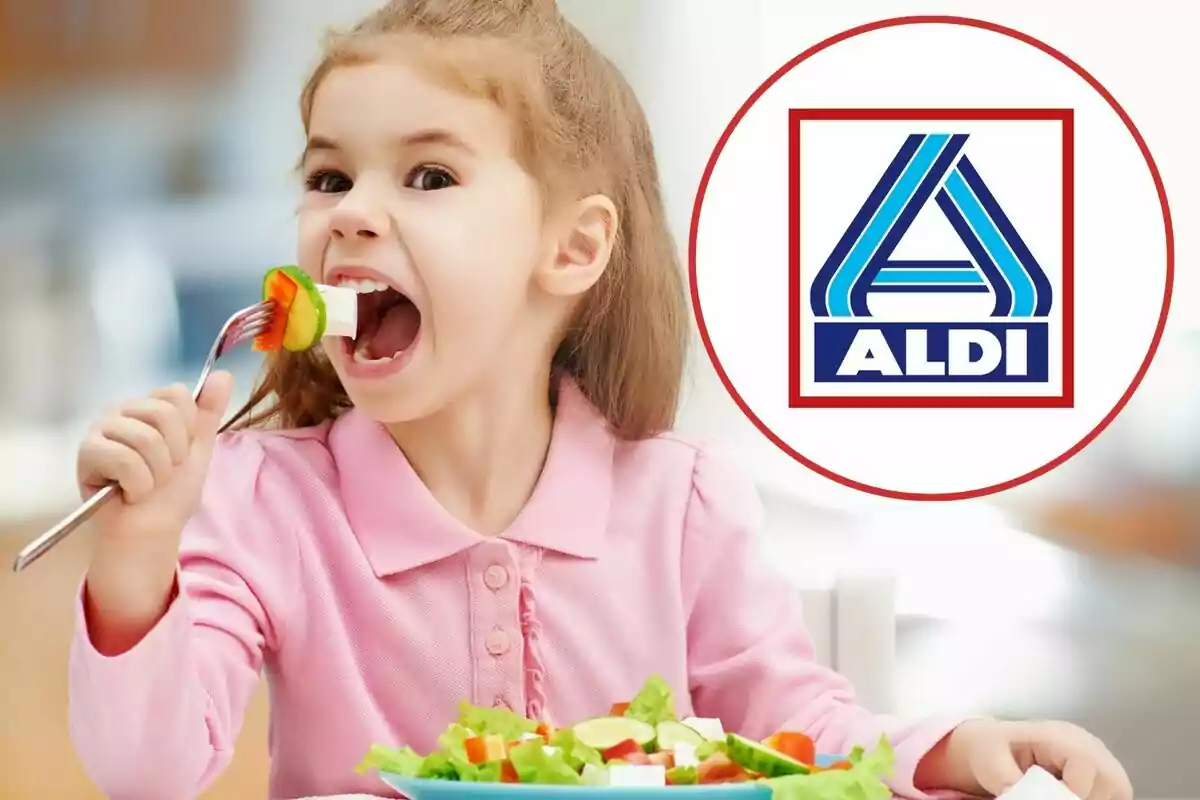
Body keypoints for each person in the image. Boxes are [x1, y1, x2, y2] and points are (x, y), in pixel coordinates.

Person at [67, 2, 1132, 799]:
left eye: (429, 177)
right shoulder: (263, 502)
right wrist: (136, 559)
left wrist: (955, 749)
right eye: (330, 178)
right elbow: (147, 772)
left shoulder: (678, 499)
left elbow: (797, 721)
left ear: (571, 247)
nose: (351, 216)